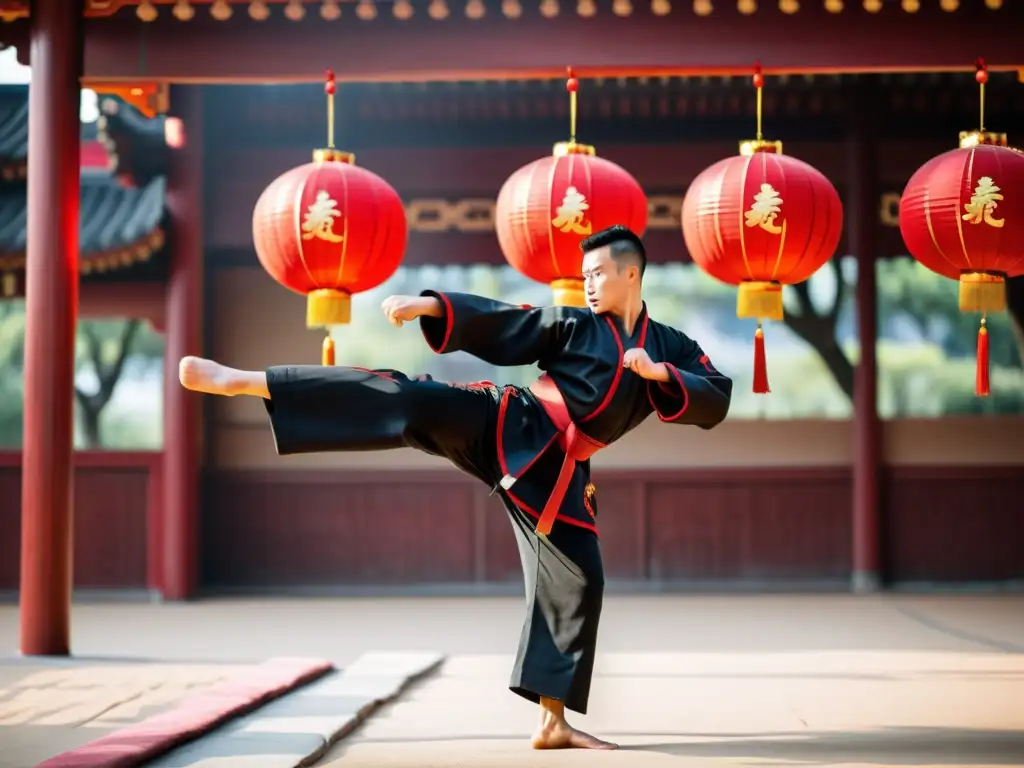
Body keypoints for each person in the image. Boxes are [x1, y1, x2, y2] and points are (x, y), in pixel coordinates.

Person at [179, 224, 733, 750]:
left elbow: (716, 390)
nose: (587, 284)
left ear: (631, 274)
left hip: (559, 472)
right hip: (509, 423)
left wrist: (659, 374)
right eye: (583, 274)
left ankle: (552, 723)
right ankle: (253, 383)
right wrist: (430, 307)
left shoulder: (670, 345)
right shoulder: (575, 325)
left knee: (580, 581)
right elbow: (508, 321)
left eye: (598, 273)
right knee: (412, 400)